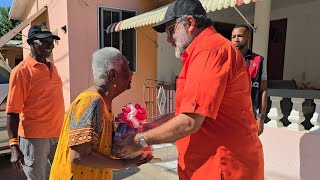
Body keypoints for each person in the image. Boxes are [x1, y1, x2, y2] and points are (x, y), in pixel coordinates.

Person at [113, 0, 264, 179]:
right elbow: (183, 113)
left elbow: (189, 121)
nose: (168, 39)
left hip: (223, 166)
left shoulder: (210, 50)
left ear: (190, 23)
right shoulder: (199, 53)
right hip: (207, 164)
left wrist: (140, 141)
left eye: (171, 31)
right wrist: (147, 127)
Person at [49, 47, 152, 180]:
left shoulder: (104, 102)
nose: (131, 74)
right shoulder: (91, 101)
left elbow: (99, 149)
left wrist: (129, 147)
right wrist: (124, 163)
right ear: (113, 75)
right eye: (127, 69)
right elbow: (79, 156)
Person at [6, 24, 65, 180]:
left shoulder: (52, 67)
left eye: (51, 41)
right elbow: (12, 111)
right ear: (32, 43)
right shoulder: (21, 71)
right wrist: (14, 146)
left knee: (60, 174)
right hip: (35, 138)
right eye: (44, 41)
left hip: (58, 133)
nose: (50, 45)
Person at [231, 24, 267, 135]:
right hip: (228, 116)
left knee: (247, 151)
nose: (236, 39)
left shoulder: (258, 60)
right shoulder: (226, 59)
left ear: (248, 38)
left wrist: (261, 117)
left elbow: (263, 90)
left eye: (240, 36)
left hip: (249, 118)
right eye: (233, 36)